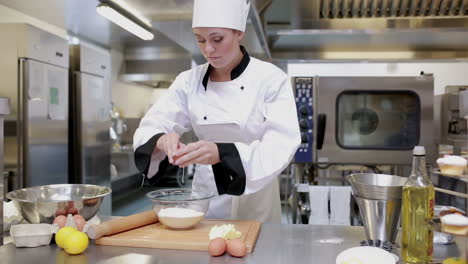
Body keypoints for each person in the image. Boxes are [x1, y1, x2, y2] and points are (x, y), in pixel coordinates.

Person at [133, 0, 300, 223]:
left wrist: (222, 153)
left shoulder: (270, 79)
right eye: (200, 39)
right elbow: (153, 123)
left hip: (254, 195)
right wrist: (162, 140)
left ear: (239, 33)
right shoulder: (188, 81)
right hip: (206, 198)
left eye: (217, 39)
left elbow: (281, 144)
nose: (208, 49)